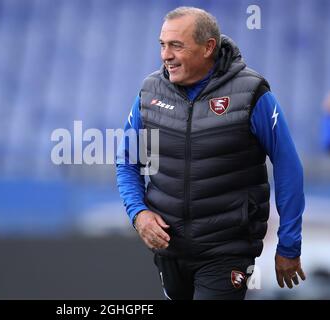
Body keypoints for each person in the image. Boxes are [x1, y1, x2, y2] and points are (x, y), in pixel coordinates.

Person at [116, 7, 306, 300]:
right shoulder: (149, 93)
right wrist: (138, 214)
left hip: (227, 251)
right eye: (162, 45)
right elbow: (127, 161)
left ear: (208, 48)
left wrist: (289, 244)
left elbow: (287, 165)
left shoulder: (251, 93)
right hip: (170, 249)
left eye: (176, 45)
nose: (166, 55)